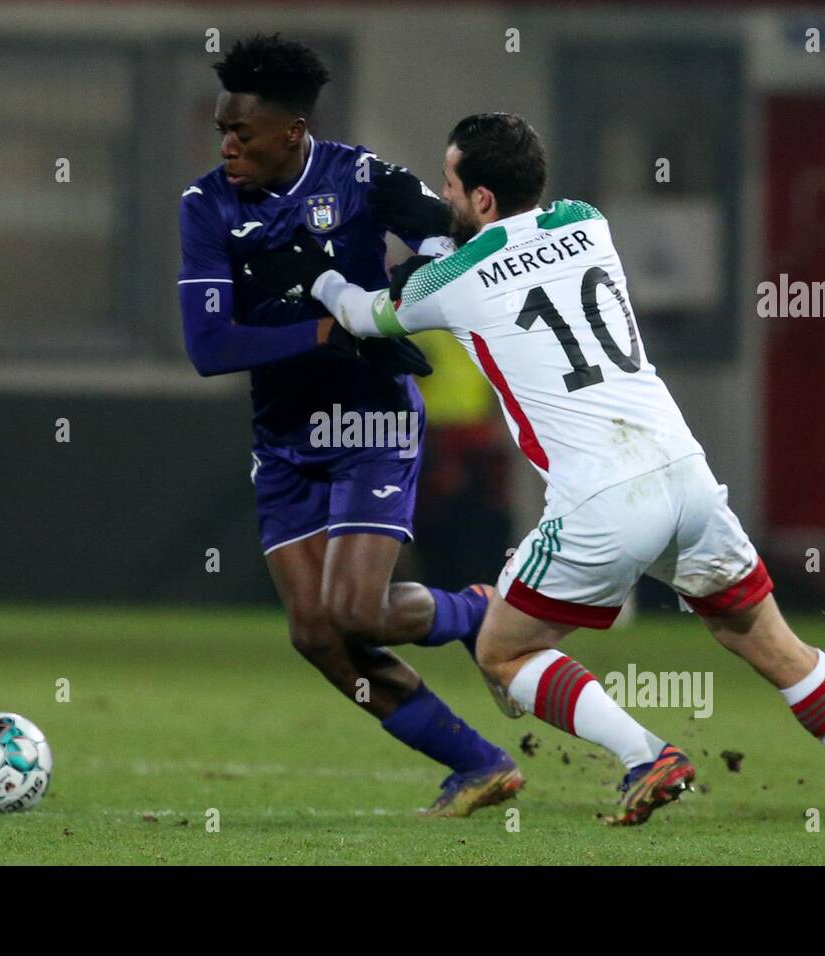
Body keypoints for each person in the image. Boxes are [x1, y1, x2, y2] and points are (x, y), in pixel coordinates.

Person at [240, 111, 825, 828]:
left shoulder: (449, 281)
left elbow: (363, 315)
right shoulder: (585, 220)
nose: (440, 196)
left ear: (480, 199)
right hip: (685, 475)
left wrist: (313, 276)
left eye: (448, 184)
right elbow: (500, 254)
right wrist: (445, 240)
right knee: (769, 641)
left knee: (504, 652)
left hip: (602, 499)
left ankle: (647, 753)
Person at [177, 38, 523, 816]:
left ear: (292, 132)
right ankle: (479, 762)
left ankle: (476, 610)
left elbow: (447, 235)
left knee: (357, 611)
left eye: (244, 134)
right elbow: (210, 347)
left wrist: (416, 276)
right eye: (222, 133)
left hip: (370, 417)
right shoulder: (206, 206)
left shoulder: (362, 178)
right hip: (285, 437)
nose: (228, 147)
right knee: (315, 633)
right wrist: (329, 331)